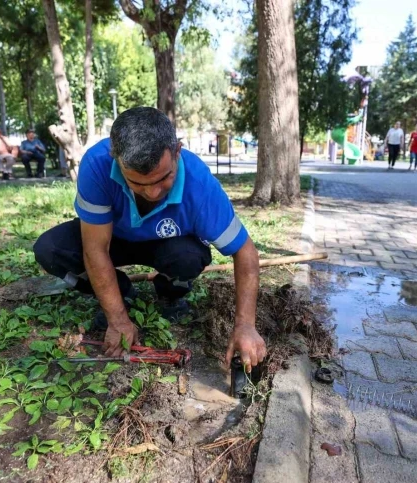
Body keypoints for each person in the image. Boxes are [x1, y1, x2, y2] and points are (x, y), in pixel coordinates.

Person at [33, 107, 267, 369]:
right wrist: (118, 319)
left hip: (168, 244)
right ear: (116, 159)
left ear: (177, 151)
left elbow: (245, 251)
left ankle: (170, 291)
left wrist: (245, 325)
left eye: (164, 178)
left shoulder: (199, 185)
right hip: (113, 240)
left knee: (190, 257)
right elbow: (96, 249)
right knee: (49, 250)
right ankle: (121, 293)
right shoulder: (96, 165)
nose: (153, 193)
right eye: (138, 183)